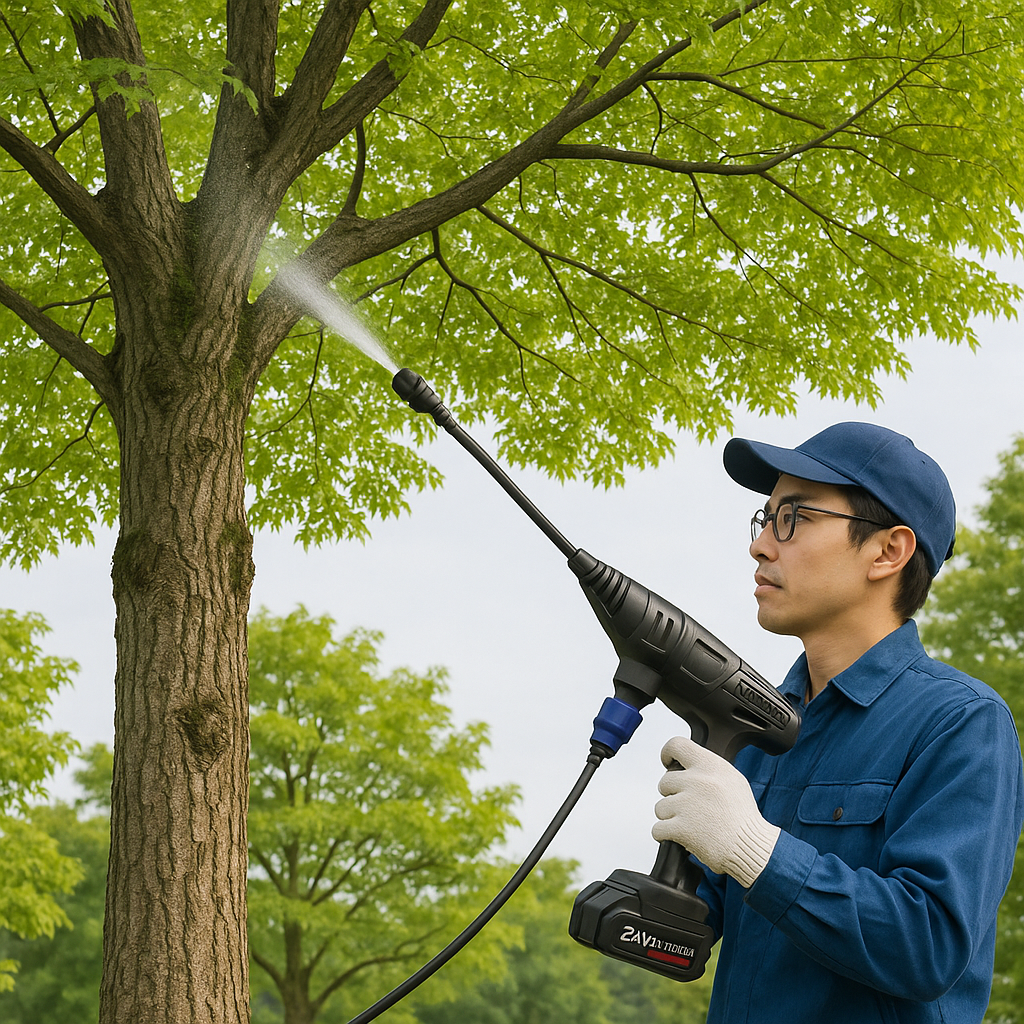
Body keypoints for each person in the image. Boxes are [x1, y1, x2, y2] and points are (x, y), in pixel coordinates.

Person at [651, 422, 1024, 1023]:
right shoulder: (758, 726)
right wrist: (660, 890)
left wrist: (753, 850)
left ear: (888, 551)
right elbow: (692, 929)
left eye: (794, 518)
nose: (761, 545)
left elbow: (929, 946)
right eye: (764, 519)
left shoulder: (961, 724)